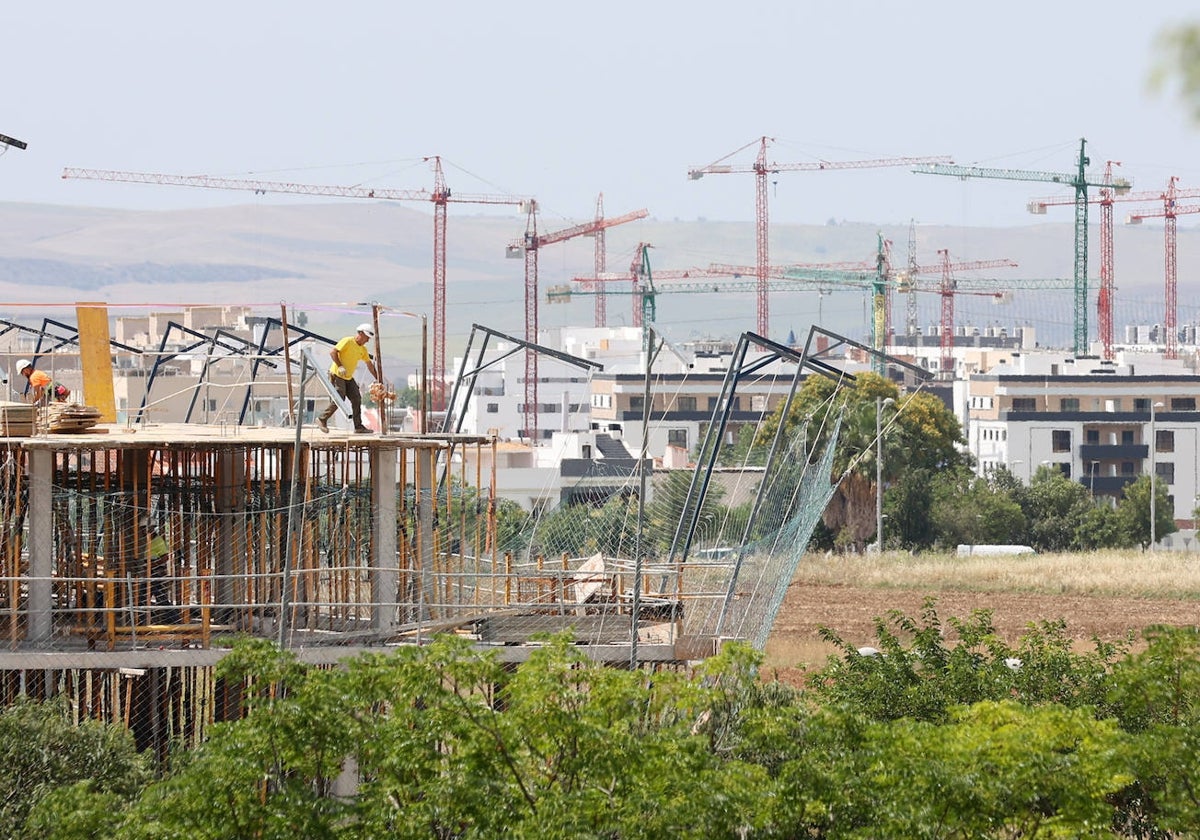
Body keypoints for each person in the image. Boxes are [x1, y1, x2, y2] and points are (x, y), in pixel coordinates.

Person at [317, 323, 379, 434]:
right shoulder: (347, 341)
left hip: (348, 377)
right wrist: (340, 366)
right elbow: (333, 352)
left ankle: (358, 426)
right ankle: (322, 419)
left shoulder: (363, 350)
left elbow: (369, 365)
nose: (367, 341)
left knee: (356, 399)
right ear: (360, 334)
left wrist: (378, 378)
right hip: (337, 374)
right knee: (339, 398)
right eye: (366, 337)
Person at [144, 517, 180, 624]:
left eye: (145, 528)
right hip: (149, 574)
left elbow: (165, 557)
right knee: (148, 598)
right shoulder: (147, 541)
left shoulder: (157, 541)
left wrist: (152, 565)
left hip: (155, 574)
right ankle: (144, 621)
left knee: (160, 598)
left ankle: (176, 619)